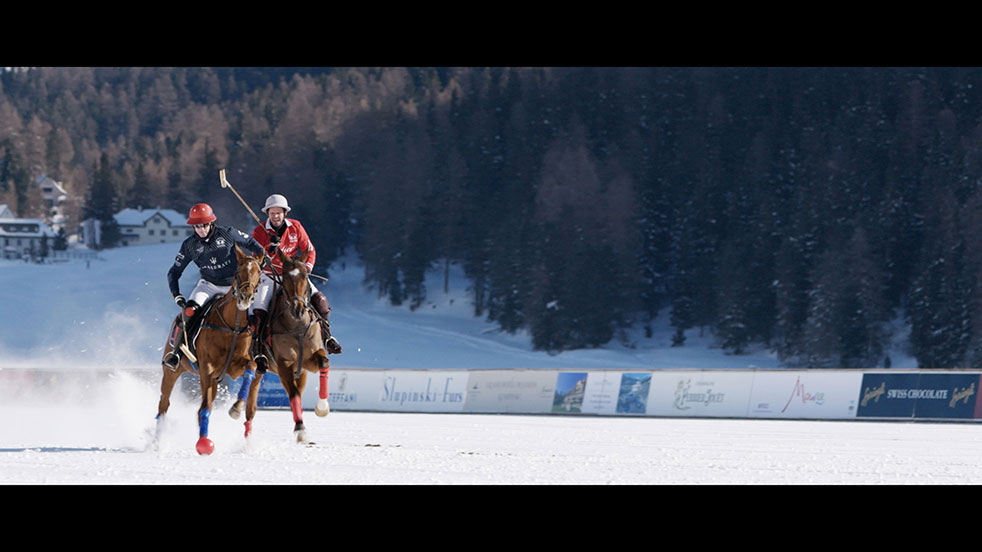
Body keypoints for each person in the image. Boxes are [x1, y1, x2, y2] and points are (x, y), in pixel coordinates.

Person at [161, 203, 266, 370]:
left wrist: (260, 257)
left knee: (256, 314)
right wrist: (177, 294)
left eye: (203, 225)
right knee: (188, 312)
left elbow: (252, 243)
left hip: (235, 286)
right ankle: (176, 354)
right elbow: (174, 272)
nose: (201, 229)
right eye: (197, 226)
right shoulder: (189, 245)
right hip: (208, 285)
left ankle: (260, 353)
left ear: (211, 223)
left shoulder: (228, 234)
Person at [249, 193, 342, 370]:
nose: (275, 216)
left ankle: (327, 338)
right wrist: (270, 249)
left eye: (278, 212)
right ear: (267, 213)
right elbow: (256, 259)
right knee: (259, 310)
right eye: (272, 213)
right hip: (270, 275)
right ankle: (259, 349)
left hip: (293, 273)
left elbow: (309, 249)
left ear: (285, 212)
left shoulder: (296, 227)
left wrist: (305, 269)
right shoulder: (259, 231)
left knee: (319, 299)